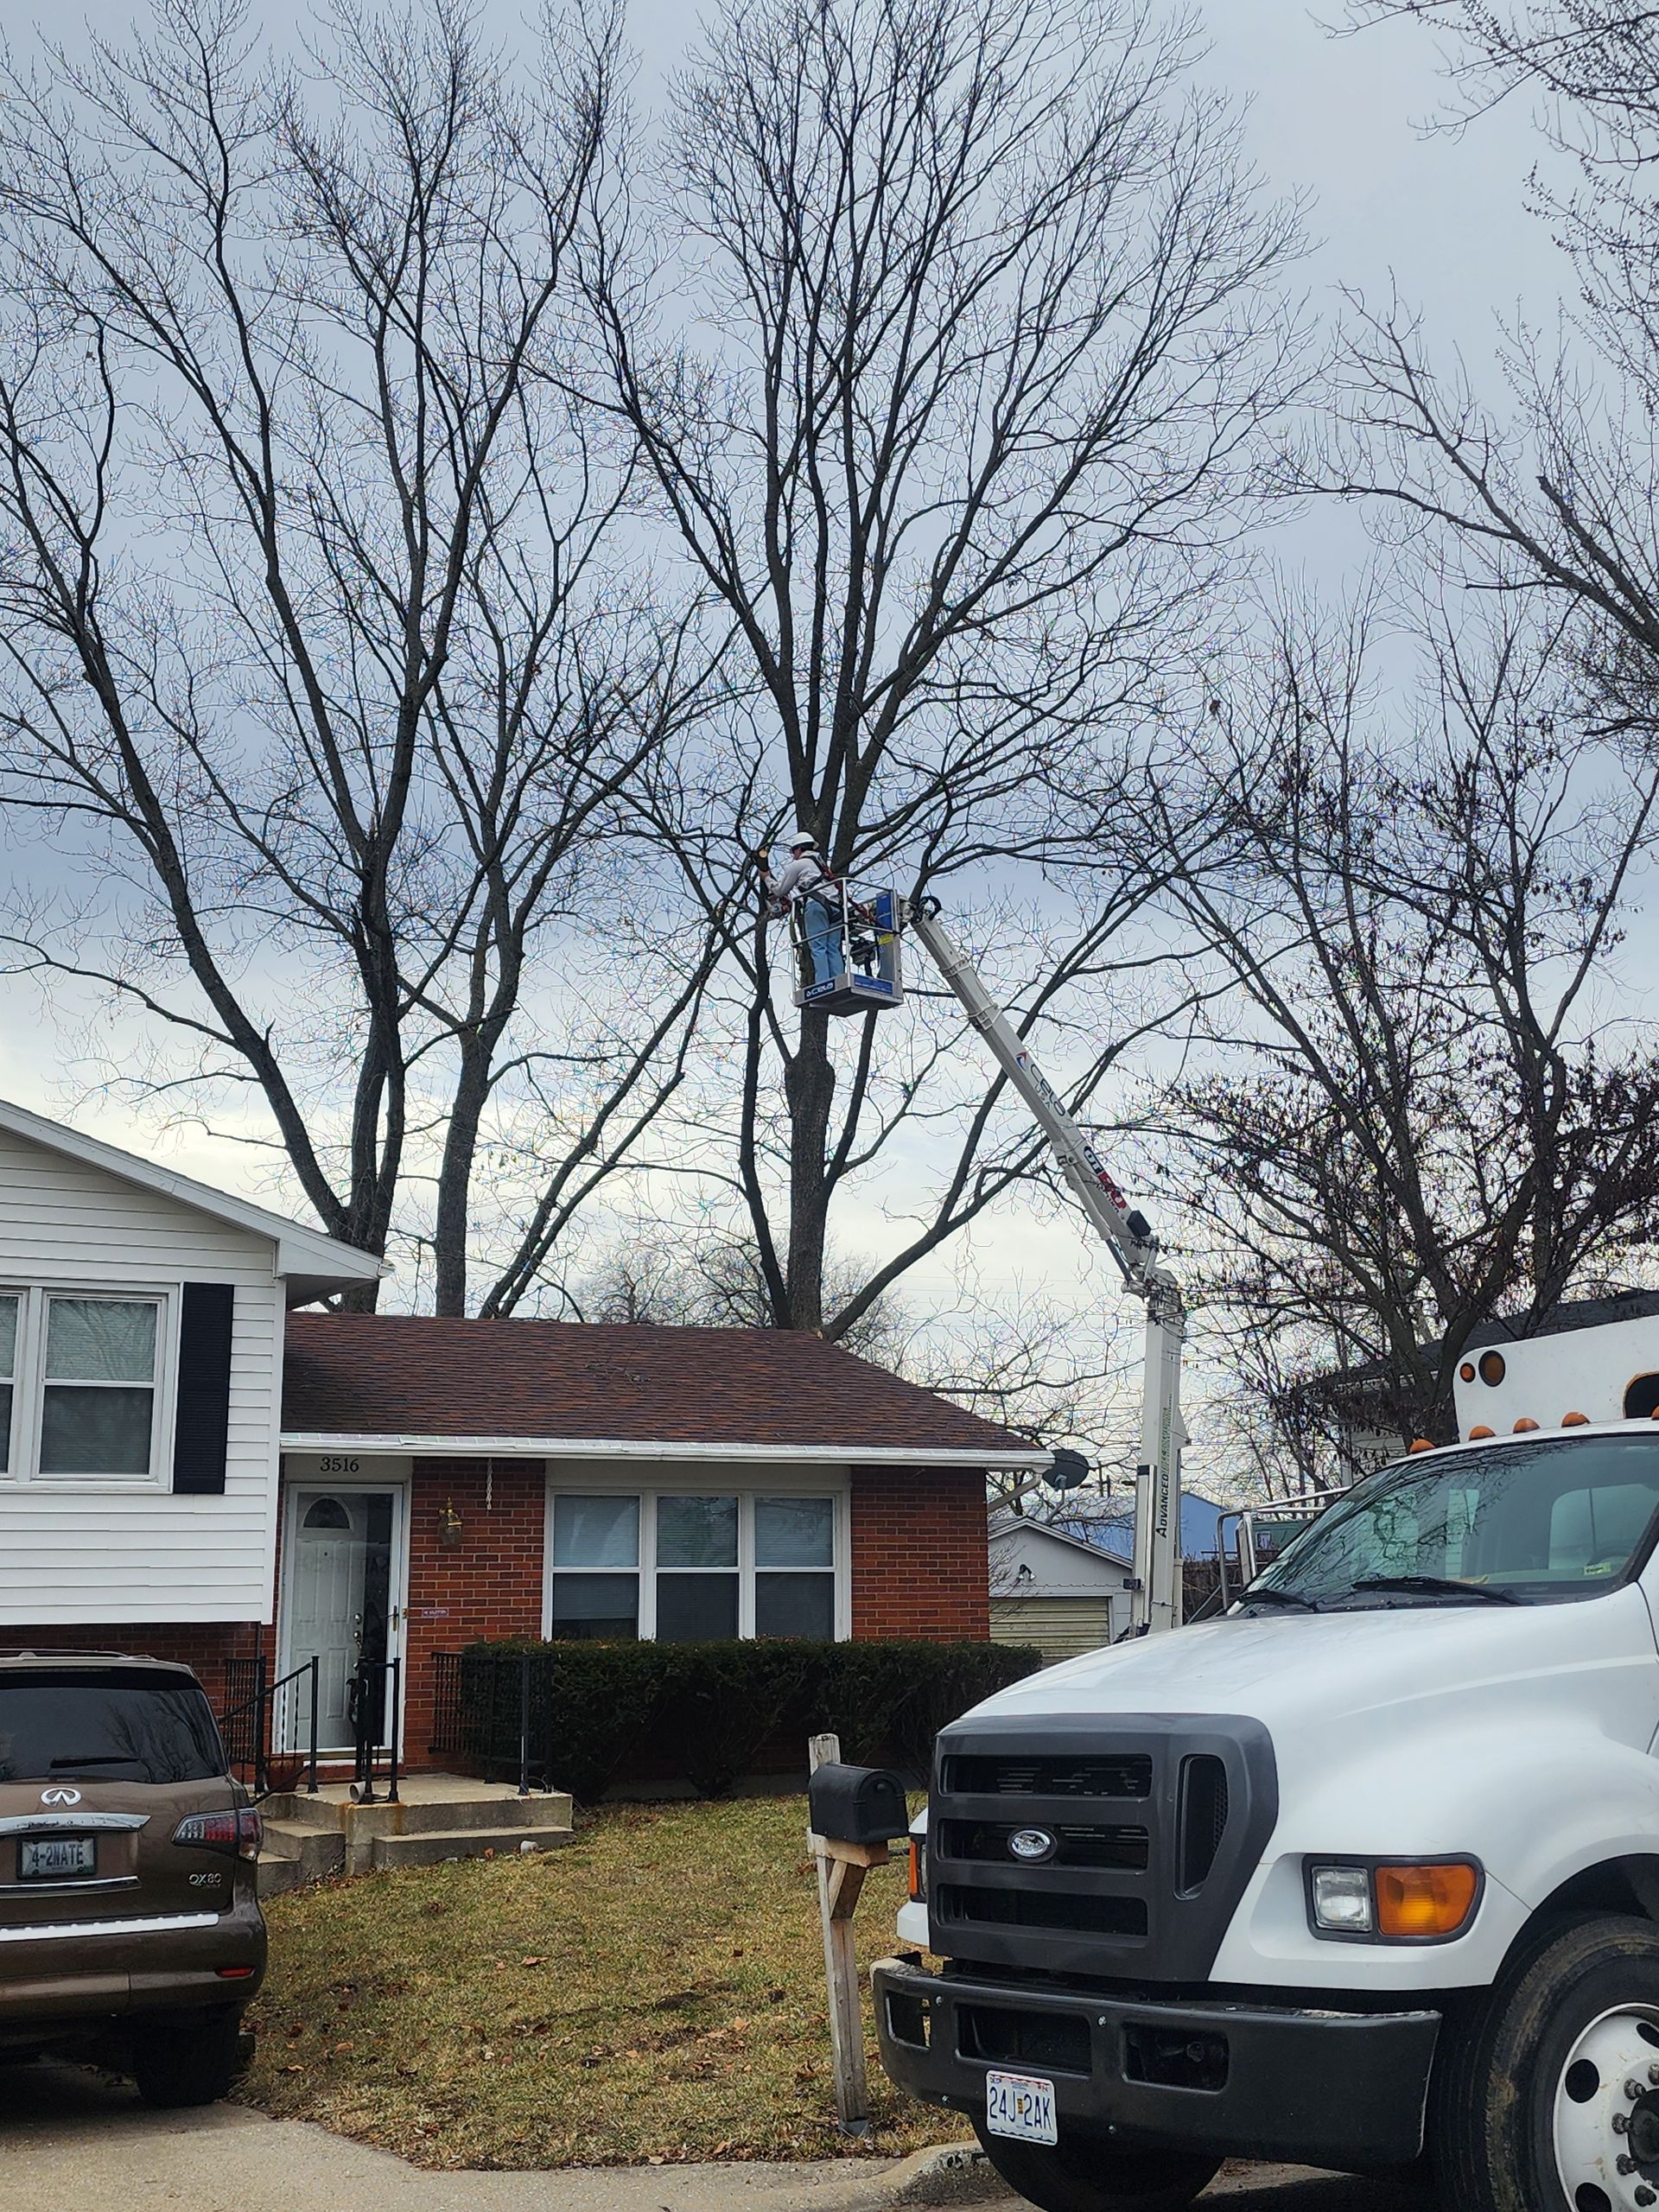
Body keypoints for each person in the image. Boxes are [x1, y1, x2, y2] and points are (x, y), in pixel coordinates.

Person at [757, 830, 849, 988]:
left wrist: (766, 878)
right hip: (836, 908)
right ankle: (839, 983)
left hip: (817, 906)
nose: (793, 855)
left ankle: (824, 986)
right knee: (833, 948)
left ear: (799, 849)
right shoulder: (821, 865)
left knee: (818, 947)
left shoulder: (798, 865)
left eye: (793, 852)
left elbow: (780, 890)